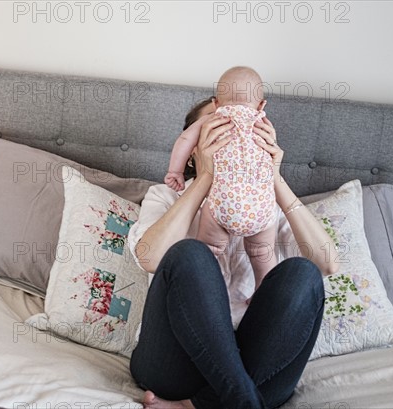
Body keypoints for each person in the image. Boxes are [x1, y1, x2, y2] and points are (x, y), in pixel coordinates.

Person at [127, 67, 339, 409]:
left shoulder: (262, 201)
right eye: (217, 131)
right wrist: (205, 179)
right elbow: (151, 258)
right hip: (173, 367)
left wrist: (275, 180)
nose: (232, 138)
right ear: (193, 145)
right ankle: (238, 400)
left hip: (257, 365)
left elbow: (327, 263)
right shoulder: (164, 197)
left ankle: (199, 405)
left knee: (303, 273)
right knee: (190, 255)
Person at [164, 67, 277, 294]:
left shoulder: (216, 118)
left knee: (208, 251)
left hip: (224, 204)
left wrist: (175, 170)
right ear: (262, 105)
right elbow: (271, 151)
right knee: (262, 254)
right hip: (263, 208)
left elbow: (185, 139)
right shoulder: (262, 123)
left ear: (217, 103)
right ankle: (264, 296)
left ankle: (206, 293)